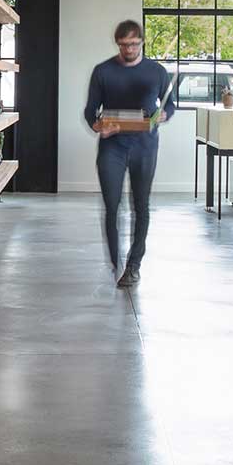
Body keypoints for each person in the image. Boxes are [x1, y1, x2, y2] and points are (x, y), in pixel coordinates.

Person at [83, 20, 176, 289]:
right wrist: (98, 126)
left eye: (134, 44)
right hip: (112, 146)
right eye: (124, 45)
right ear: (117, 44)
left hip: (145, 146)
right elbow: (91, 110)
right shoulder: (103, 71)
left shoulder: (156, 72)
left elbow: (169, 104)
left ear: (142, 42)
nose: (129, 49)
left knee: (141, 205)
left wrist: (164, 115)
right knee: (112, 206)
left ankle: (133, 265)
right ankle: (116, 263)